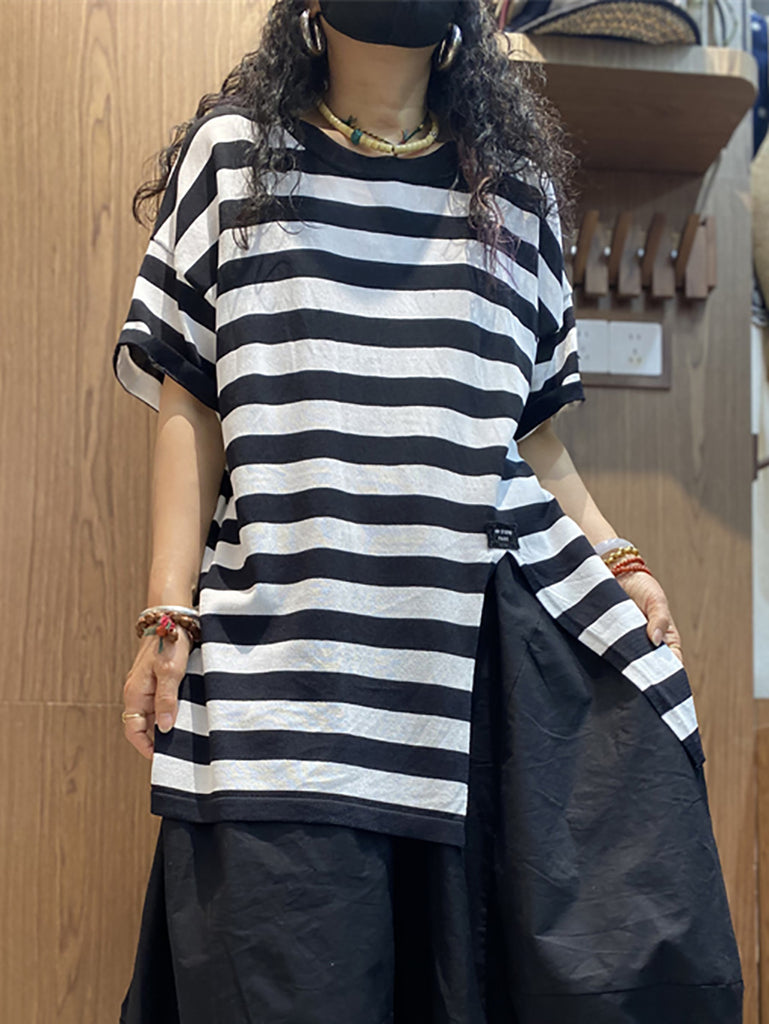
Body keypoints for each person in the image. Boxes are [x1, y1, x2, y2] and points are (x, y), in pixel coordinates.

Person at [113, 1, 743, 1021]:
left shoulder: (516, 191)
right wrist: (165, 611)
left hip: (480, 692)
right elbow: (191, 397)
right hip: (283, 691)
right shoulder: (236, 159)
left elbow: (533, 440)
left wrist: (617, 557)